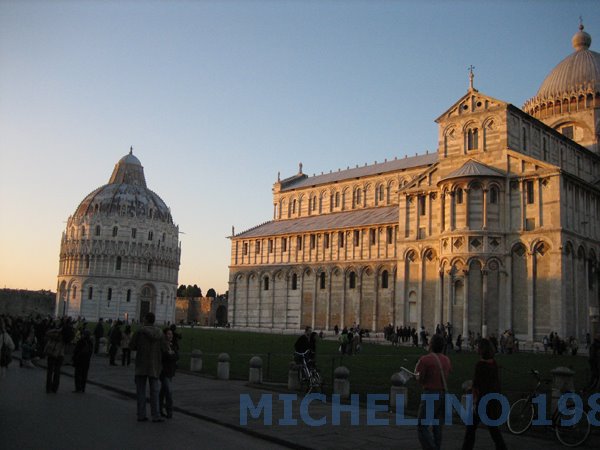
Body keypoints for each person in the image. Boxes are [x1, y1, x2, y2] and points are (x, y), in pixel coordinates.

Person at [461, 338, 507, 450]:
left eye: (477, 346)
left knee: (471, 429)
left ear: (482, 349)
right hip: (493, 399)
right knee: (493, 429)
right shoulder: (493, 363)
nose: (476, 348)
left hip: (482, 400)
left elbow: (476, 385)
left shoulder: (480, 365)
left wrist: (470, 390)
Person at [415, 333, 451, 450]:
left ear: (431, 345)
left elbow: (420, 379)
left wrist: (416, 376)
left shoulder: (425, 360)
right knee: (437, 426)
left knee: (422, 426)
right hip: (443, 394)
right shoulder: (446, 360)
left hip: (430, 394)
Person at [130, 312, 168, 422]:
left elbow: (132, 346)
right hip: (154, 365)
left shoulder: (139, 332)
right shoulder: (160, 333)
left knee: (141, 392)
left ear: (146, 320)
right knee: (154, 392)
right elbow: (165, 348)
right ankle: (155, 415)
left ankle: (141, 415)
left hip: (141, 364)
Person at [44, 320, 73, 393]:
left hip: (53, 353)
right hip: (60, 354)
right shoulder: (66, 336)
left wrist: (57, 330)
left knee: (50, 371)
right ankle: (55, 388)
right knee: (57, 372)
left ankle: (48, 387)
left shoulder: (56, 334)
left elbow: (47, 333)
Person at [159, 328, 179, 419]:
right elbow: (164, 356)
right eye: (168, 334)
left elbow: (177, 356)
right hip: (163, 371)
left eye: (171, 334)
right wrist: (171, 355)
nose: (170, 336)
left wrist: (171, 355)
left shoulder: (173, 344)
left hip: (171, 371)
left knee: (163, 391)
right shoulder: (162, 345)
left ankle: (159, 409)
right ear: (164, 335)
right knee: (169, 391)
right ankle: (169, 411)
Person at [72, 329, 93, 393]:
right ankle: (83, 388)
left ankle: (78, 388)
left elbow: (76, 350)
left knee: (78, 374)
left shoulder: (80, 341)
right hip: (86, 360)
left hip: (80, 360)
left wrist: (74, 358)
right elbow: (91, 352)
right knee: (84, 374)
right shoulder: (90, 342)